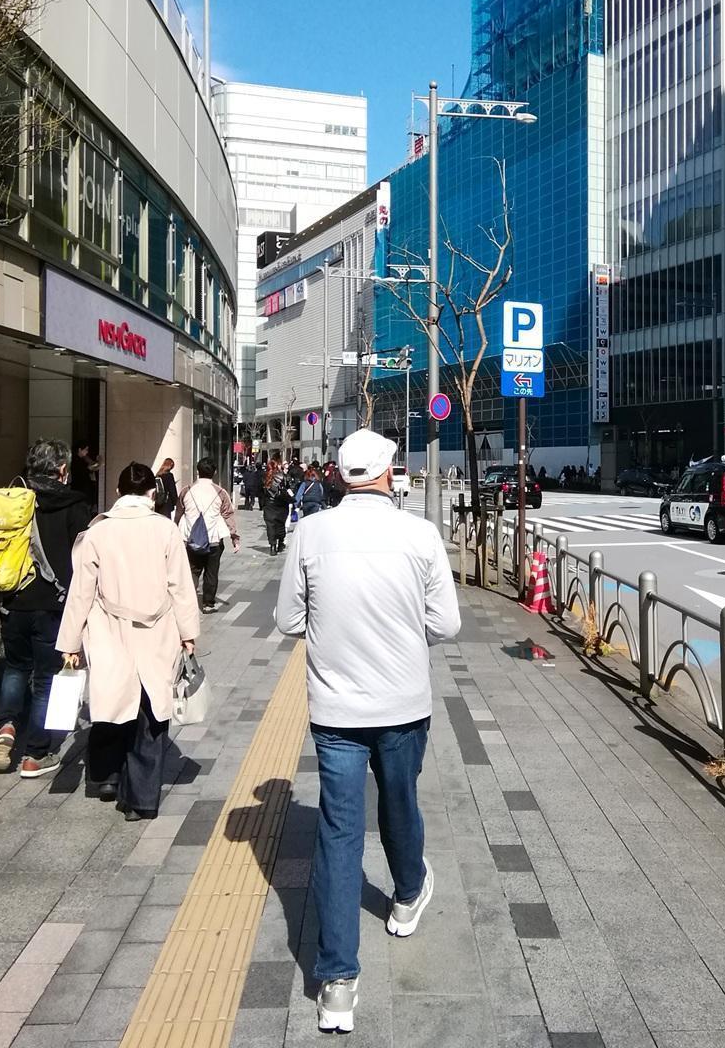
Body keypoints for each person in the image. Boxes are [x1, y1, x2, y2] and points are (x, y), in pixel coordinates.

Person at [275, 429, 460, 1035]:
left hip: (336, 710)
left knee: (338, 832)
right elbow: (447, 624)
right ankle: (407, 893)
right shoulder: (419, 534)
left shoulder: (311, 532)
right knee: (400, 801)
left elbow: (287, 620)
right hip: (403, 701)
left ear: (342, 475)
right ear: (389, 473)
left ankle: (337, 985)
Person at [56, 462, 199, 818]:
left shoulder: (98, 533)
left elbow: (81, 592)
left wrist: (69, 642)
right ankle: (142, 799)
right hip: (157, 628)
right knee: (151, 713)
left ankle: (107, 775)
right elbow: (181, 586)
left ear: (118, 493)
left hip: (108, 627)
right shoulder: (165, 530)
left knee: (112, 703)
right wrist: (189, 634)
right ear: (153, 493)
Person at [0, 440, 92, 778]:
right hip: (54, 604)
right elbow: (84, 560)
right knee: (46, 679)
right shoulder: (74, 503)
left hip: (13, 598)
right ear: (62, 469)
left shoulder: (13, 498)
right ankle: (35, 755)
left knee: (15, 668)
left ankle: (6, 728)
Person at [175, 458, 240, 612]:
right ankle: (208, 604)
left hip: (190, 539)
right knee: (211, 572)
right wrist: (235, 538)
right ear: (215, 472)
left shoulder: (186, 490)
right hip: (214, 539)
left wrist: (175, 531)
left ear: (197, 471)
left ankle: (188, 601)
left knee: (192, 570)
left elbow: (179, 513)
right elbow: (228, 515)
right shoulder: (220, 492)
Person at [260, 459, 291, 555]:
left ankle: (272, 546)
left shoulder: (264, 477)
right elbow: (288, 488)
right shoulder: (283, 476)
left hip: (269, 504)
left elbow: (260, 492)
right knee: (280, 524)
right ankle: (281, 543)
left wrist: (262, 504)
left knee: (270, 526)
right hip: (281, 503)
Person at [70, 442, 100, 511]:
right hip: (80, 489)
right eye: (86, 450)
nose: (87, 452)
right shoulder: (76, 460)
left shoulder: (82, 459)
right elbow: (87, 469)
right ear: (80, 450)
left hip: (82, 489)